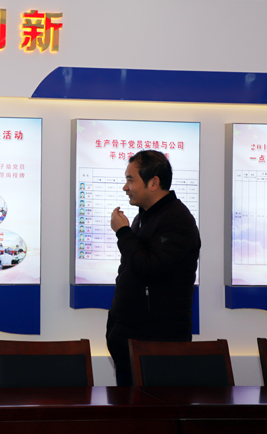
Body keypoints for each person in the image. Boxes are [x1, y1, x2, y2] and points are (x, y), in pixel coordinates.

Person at [106, 150, 201, 387]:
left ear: (154, 183)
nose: (125, 188)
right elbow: (132, 271)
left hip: (158, 352)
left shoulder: (177, 219)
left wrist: (123, 232)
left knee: (154, 411)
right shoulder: (144, 217)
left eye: (130, 180)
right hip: (132, 347)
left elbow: (151, 267)